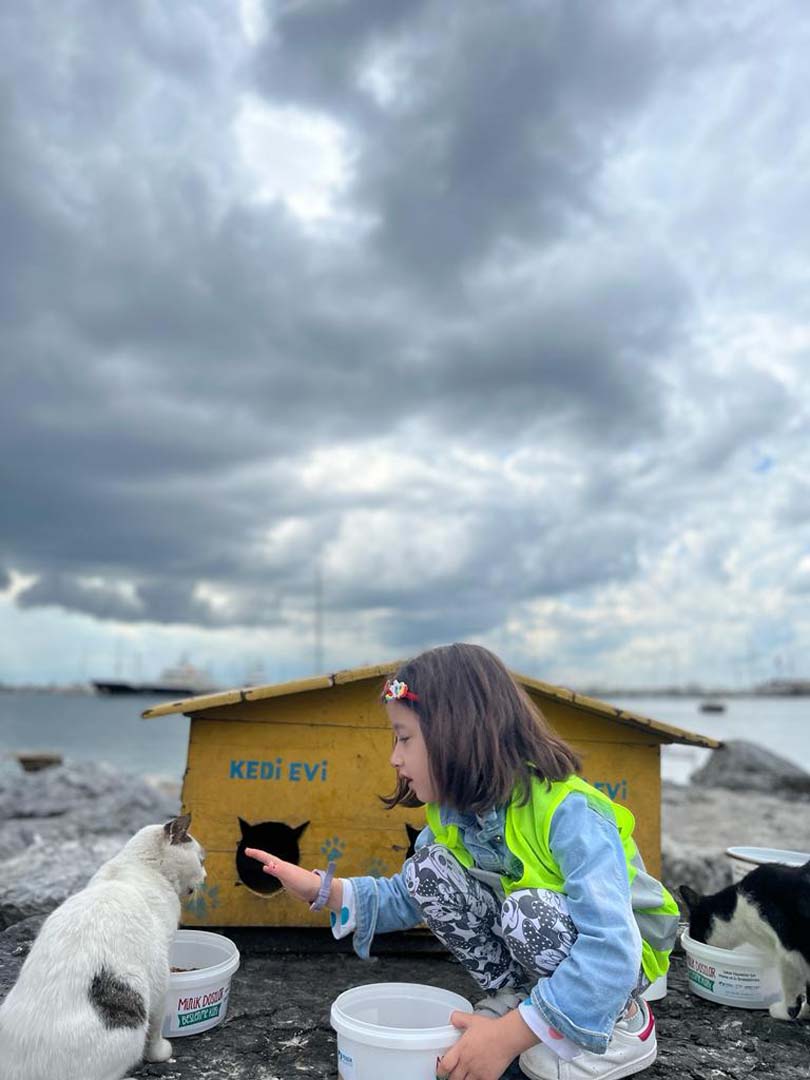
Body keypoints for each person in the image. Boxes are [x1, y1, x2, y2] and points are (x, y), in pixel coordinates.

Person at [246, 643, 679, 1080]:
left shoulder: (571, 813)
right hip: (559, 947)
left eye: (404, 737)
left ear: (457, 734)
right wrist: (326, 890)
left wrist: (507, 1040)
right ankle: (522, 1001)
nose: (394, 757)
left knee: (529, 913)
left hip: (623, 957)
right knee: (428, 870)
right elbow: (408, 892)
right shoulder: (458, 814)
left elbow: (611, 946)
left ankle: (622, 1022)